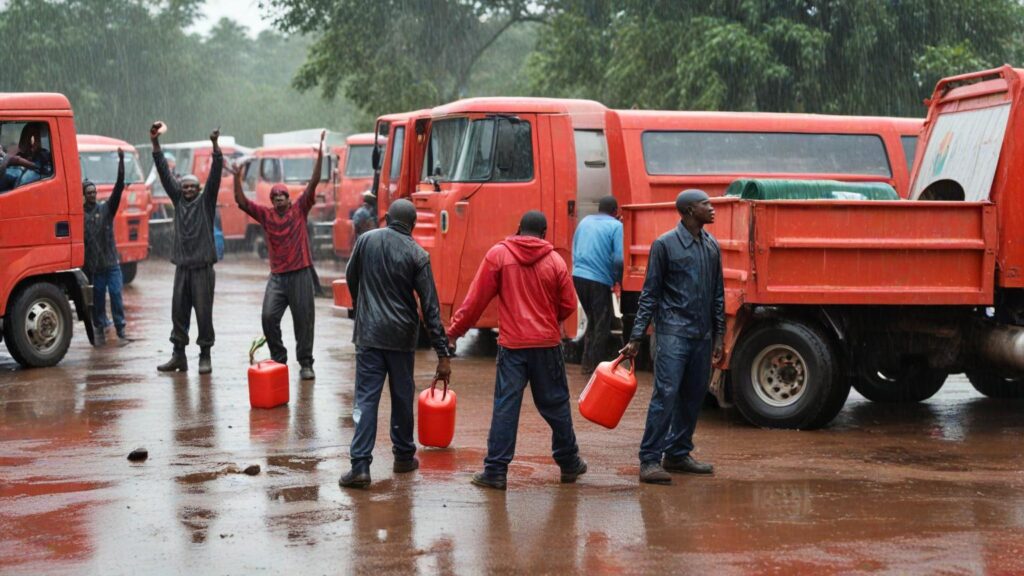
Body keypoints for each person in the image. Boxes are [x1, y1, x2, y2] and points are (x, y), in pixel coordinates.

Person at [447, 211, 586, 491]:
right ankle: (569, 463)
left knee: (506, 408)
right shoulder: (555, 260)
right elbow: (569, 304)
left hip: (513, 347)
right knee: (556, 405)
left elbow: (475, 301)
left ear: (519, 228)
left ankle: (496, 472)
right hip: (546, 346)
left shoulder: (499, 255)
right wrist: (548, 317)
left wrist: (453, 333)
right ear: (544, 233)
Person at [339, 198, 452, 489]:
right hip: (402, 338)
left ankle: (360, 466)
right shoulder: (418, 254)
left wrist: (363, 307)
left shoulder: (366, 241)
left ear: (387, 218)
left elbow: (352, 277)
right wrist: (443, 353)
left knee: (366, 399)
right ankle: (403, 456)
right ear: (413, 225)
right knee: (402, 396)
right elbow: (430, 308)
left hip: (369, 335)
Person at [620, 189, 725, 485]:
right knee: (665, 395)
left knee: (693, 396)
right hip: (672, 333)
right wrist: (637, 336)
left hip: (702, 335)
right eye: (706, 204)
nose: (712, 208)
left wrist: (719, 336)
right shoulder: (665, 245)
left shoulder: (711, 245)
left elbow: (718, 295)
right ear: (689, 210)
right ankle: (650, 459)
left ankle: (678, 453)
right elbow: (649, 294)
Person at [233, 131, 325, 381]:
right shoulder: (266, 215)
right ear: (272, 200)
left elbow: (314, 182)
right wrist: (236, 177)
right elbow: (241, 202)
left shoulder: (300, 209)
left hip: (300, 273)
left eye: (283, 197)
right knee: (268, 316)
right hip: (278, 277)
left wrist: (320, 154)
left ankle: (306, 363)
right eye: (275, 198)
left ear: (289, 198)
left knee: (304, 321)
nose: (279, 200)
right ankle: (279, 356)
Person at [152, 122, 223, 374]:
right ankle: (178, 355)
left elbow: (215, 173)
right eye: (186, 187)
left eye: (193, 187)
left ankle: (205, 355)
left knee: (204, 315)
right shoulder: (178, 200)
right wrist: (155, 144)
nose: (189, 190)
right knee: (178, 313)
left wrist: (215, 146)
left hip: (203, 269)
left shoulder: (206, 202)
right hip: (182, 268)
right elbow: (164, 173)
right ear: (180, 190)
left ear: (200, 189)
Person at [572, 195, 624, 374]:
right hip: (599, 279)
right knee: (602, 323)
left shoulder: (585, 221)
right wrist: (617, 279)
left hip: (578, 276)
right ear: (615, 212)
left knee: (593, 320)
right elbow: (618, 258)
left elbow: (575, 247)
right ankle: (596, 369)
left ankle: (586, 365)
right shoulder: (616, 226)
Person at [83, 148, 127, 345]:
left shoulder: (107, 209)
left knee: (116, 294)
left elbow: (118, 188)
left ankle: (120, 329)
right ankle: (99, 330)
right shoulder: (79, 216)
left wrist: (121, 162)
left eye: (94, 192)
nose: (92, 195)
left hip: (111, 264)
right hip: (95, 268)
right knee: (98, 300)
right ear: (83, 195)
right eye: (89, 192)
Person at [0, 123, 54, 192]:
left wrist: (18, 161)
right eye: (26, 136)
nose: (27, 140)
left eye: (33, 137)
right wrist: (3, 154)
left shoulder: (43, 154)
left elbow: (36, 166)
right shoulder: (24, 153)